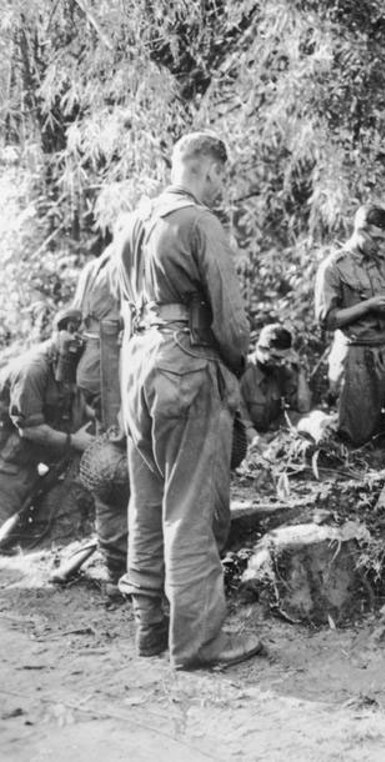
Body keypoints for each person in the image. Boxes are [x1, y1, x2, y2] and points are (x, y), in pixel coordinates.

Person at [112, 131, 261, 669]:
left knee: (148, 503)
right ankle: (197, 644)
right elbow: (229, 321)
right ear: (207, 170)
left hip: (138, 368)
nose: (221, 189)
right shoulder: (200, 222)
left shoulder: (131, 222)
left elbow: (120, 305)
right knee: (192, 508)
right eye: (221, 178)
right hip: (186, 367)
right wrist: (237, 368)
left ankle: (149, 630)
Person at [0, 308, 95, 550]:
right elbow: (29, 430)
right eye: (71, 332)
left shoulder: (68, 363)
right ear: (57, 331)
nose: (76, 340)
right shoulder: (33, 369)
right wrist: (74, 440)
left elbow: (76, 401)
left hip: (29, 452)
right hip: (9, 455)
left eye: (82, 335)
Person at [314, 204, 385, 445]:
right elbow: (327, 320)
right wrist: (368, 306)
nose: (381, 245)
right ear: (360, 231)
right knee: (357, 435)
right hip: (356, 355)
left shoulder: (382, 263)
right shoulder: (334, 266)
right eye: (376, 239)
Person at [71, 245, 128, 591]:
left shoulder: (95, 266)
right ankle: (118, 566)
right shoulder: (120, 267)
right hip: (107, 366)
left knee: (112, 461)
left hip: (94, 366)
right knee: (113, 466)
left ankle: (118, 560)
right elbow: (116, 328)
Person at [239, 323, 312, 441]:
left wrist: (299, 371)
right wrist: (258, 440)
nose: (280, 363)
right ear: (260, 349)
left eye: (284, 358)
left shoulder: (281, 369)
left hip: (273, 433)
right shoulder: (241, 373)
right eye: (276, 358)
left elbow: (303, 408)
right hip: (248, 437)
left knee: (312, 420)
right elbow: (241, 421)